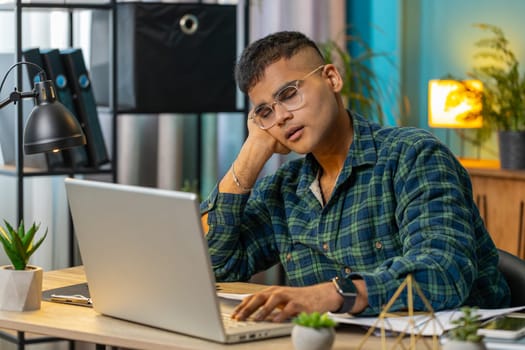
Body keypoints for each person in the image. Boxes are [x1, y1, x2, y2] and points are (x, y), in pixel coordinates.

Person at [200, 31, 510, 322]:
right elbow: (215, 268)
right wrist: (251, 153)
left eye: (289, 94)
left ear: (332, 78)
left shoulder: (414, 156)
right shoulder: (285, 190)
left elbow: (444, 272)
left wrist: (335, 294)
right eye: (265, 112)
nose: (280, 117)